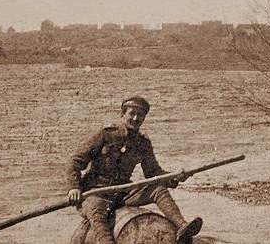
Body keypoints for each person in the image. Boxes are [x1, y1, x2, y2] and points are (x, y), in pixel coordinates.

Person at [66, 96, 203, 244]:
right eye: (132, 113)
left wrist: (175, 177)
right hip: (95, 193)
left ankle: (182, 226)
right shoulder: (105, 135)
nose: (136, 118)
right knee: (97, 213)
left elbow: (153, 172)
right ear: (123, 114)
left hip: (123, 194)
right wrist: (74, 188)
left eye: (140, 115)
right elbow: (75, 161)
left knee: (157, 189)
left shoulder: (143, 143)